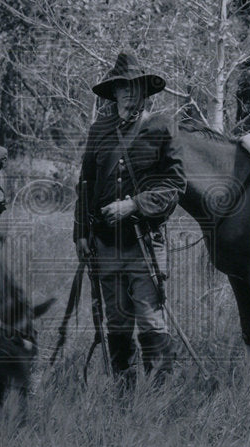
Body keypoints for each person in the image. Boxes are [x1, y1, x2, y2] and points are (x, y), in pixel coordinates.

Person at [73, 51, 186, 384]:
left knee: (151, 322)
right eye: (121, 87)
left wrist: (134, 205)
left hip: (144, 245)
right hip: (104, 245)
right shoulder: (99, 130)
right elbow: (85, 182)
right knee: (117, 323)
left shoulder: (163, 127)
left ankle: (157, 397)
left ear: (144, 92)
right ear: (114, 92)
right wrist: (80, 232)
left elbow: (175, 185)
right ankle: (123, 399)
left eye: (134, 87)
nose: (127, 92)